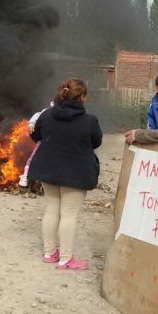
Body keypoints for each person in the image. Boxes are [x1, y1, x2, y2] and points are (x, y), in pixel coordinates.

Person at [28, 78, 102, 270]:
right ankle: (65, 259)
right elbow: (96, 142)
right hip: (76, 173)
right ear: (83, 97)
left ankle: (49, 253)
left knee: (52, 210)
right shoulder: (90, 120)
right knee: (68, 214)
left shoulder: (46, 115)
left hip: (48, 169)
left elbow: (36, 136)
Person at [18, 101, 53, 188]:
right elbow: (38, 115)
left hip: (59, 143)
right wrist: (32, 123)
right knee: (33, 159)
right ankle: (25, 176)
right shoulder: (47, 111)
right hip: (44, 140)